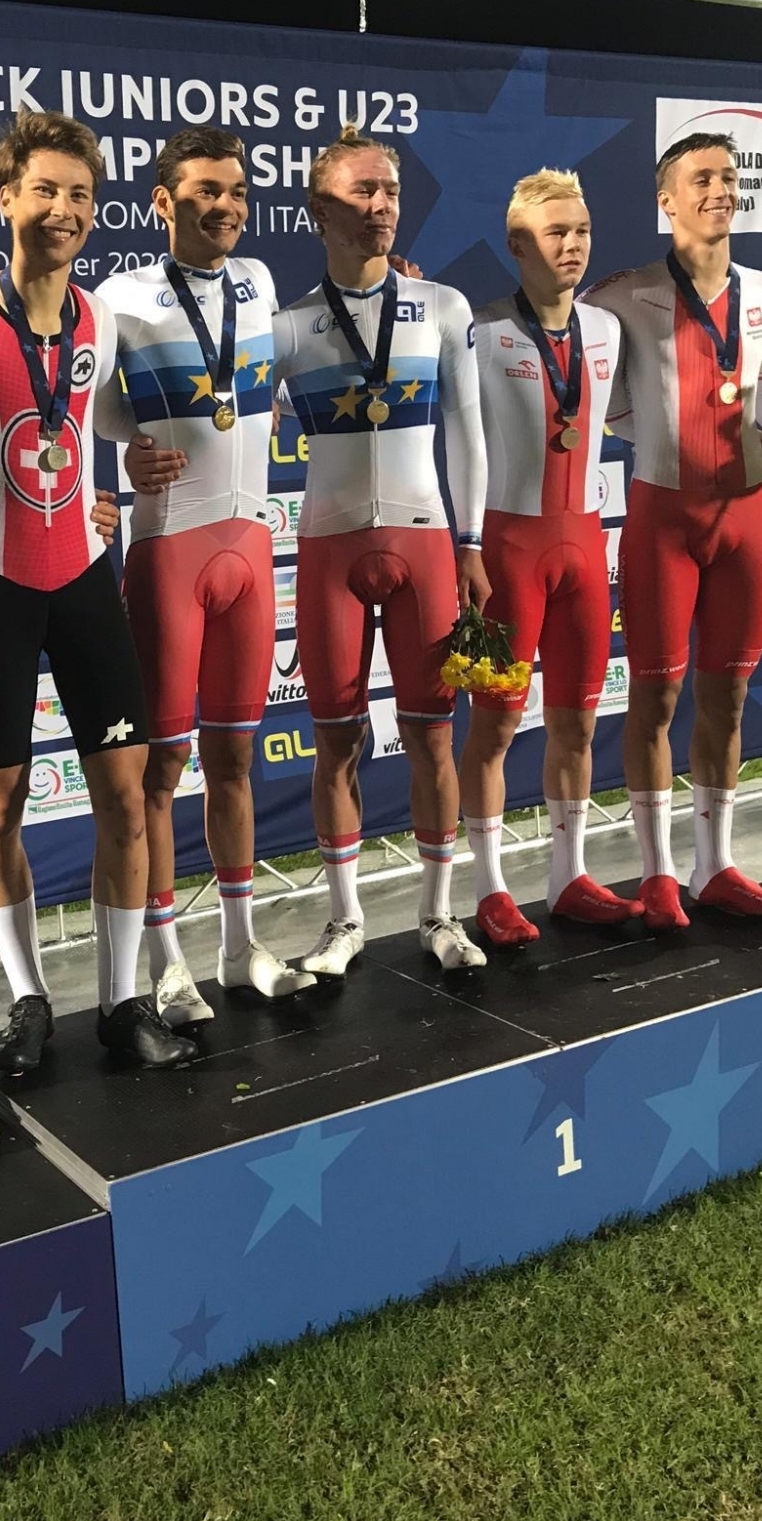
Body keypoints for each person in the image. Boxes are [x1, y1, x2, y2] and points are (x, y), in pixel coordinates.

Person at [0, 110, 196, 1071]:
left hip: (84, 586)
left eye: (78, 194)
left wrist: (110, 471)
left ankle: (119, 1000)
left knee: (124, 792)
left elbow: (90, 406)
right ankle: (29, 999)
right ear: (6, 198)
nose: (62, 210)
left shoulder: (99, 314)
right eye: (44, 191)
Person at [590, 131, 762, 928]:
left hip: (750, 517)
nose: (720, 189)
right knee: (656, 695)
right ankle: (656, 874)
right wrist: (639, 427)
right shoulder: (621, 295)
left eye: (729, 177)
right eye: (700, 178)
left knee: (730, 695)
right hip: (663, 519)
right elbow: (566, 362)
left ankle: (716, 866)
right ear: (665, 200)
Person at [94, 127, 314, 1023]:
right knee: (160, 769)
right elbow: (80, 403)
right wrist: (114, 467)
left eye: (235, 191)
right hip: (169, 552)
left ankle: (235, 947)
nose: (224, 206)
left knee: (234, 759)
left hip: (250, 550)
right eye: (205, 192)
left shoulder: (259, 281)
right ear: (162, 201)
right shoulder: (120, 296)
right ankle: (165, 962)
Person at [273, 125, 489, 977]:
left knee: (434, 737)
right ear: (318, 210)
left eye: (391, 191)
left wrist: (470, 543)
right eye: (363, 191)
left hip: (426, 542)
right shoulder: (285, 329)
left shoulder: (442, 307)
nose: (382, 205)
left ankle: (440, 916)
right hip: (328, 545)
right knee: (336, 741)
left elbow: (467, 432)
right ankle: (345, 920)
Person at [462, 170, 644, 946]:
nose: (570, 247)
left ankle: (568, 876)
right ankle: (489, 888)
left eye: (580, 232)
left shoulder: (607, 328)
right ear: (516, 245)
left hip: (582, 547)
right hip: (508, 553)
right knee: (497, 728)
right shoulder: (476, 331)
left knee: (577, 722)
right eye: (553, 234)